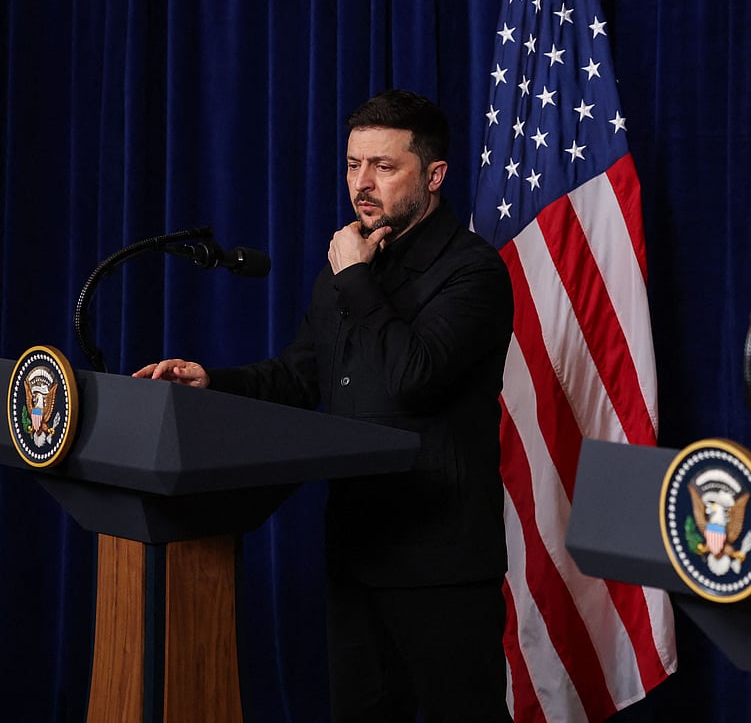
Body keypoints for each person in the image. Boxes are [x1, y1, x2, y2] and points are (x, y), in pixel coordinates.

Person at [135, 89, 514, 722]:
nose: (362, 184)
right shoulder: (351, 264)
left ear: (434, 175)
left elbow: (412, 377)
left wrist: (356, 280)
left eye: (384, 167)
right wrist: (213, 381)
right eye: (352, 164)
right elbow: (300, 375)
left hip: (440, 563)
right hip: (356, 550)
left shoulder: (471, 270)